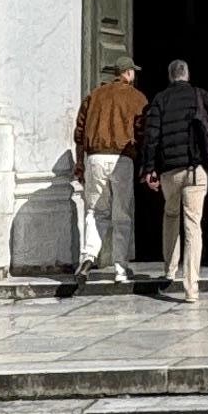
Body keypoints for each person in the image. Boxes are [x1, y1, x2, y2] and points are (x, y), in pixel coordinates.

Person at [137, 58, 208, 302]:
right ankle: (191, 288)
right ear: (187, 75)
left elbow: (151, 137)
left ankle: (169, 269)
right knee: (193, 226)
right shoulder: (201, 95)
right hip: (195, 170)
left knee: (170, 216)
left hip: (169, 172)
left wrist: (148, 169)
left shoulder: (160, 100)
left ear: (170, 76)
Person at [68, 61, 145, 288]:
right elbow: (143, 129)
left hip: (95, 158)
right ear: (128, 73)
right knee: (122, 214)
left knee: (95, 211)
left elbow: (79, 132)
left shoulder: (94, 95)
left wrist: (80, 163)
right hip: (122, 158)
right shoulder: (137, 98)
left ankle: (88, 257)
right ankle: (120, 268)